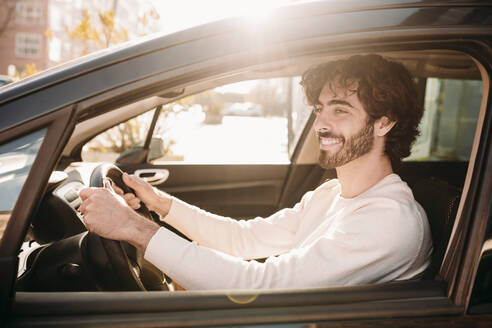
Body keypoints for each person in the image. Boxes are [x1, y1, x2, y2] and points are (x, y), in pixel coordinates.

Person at [79, 54, 432, 290]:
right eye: (320, 108)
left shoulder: (388, 220)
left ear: (384, 122)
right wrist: (161, 205)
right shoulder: (330, 195)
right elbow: (242, 239)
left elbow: (258, 285)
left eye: (340, 110)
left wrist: (131, 227)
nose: (321, 123)